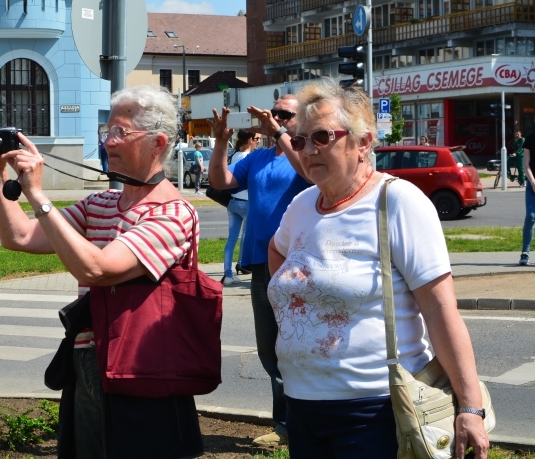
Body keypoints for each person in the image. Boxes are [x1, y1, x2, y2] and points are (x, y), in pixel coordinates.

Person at [0, 84, 205, 459]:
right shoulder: (100, 203)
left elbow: (98, 270)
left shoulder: (174, 214)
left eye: (120, 132)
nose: (109, 142)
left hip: (143, 367)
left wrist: (37, 194)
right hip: (88, 358)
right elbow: (19, 236)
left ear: (158, 143)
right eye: (106, 131)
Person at [268, 78, 489, 459]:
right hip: (302, 404)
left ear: (363, 142)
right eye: (300, 140)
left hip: (374, 411)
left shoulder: (397, 202)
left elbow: (439, 309)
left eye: (322, 137)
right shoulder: (303, 205)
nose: (307, 150)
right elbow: (277, 251)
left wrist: (470, 407)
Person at [208, 94, 310, 447]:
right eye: (274, 111)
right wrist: (221, 139)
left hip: (297, 263)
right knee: (269, 346)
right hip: (260, 262)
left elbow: (307, 172)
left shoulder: (306, 153)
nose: (276, 117)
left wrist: (279, 132)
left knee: (297, 344)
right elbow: (219, 181)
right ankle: (285, 426)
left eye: (285, 114)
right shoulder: (259, 158)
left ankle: (301, 424)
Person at [221, 130, 261, 285]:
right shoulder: (248, 158)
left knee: (232, 239)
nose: (258, 141)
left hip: (233, 202)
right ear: (250, 140)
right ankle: (243, 264)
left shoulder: (235, 155)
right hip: (247, 202)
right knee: (248, 236)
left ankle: (228, 274)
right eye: (257, 139)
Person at [520, 130, 535, 265]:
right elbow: (526, 164)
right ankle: (525, 252)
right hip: (532, 185)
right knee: (530, 216)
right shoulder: (530, 139)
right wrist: (533, 181)